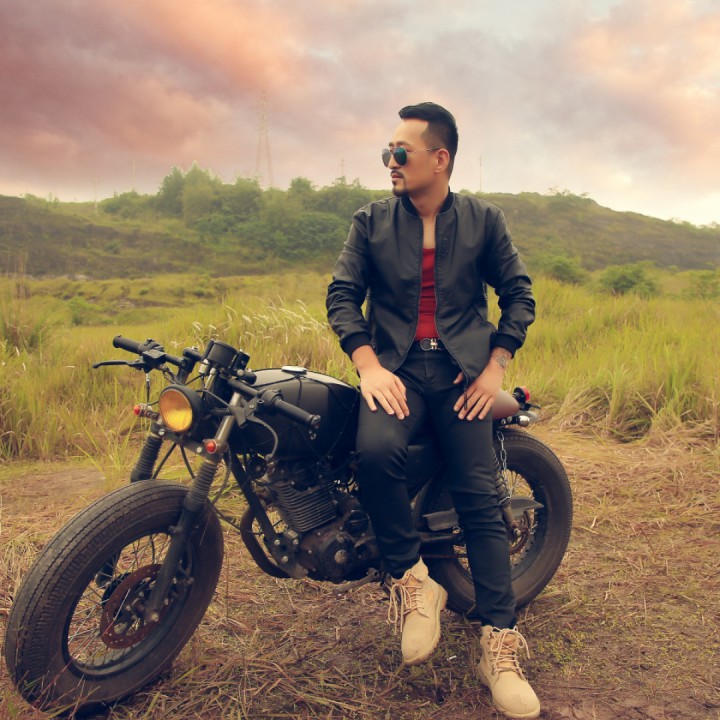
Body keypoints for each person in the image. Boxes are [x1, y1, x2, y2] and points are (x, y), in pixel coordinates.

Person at [326, 102, 539, 719]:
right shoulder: (370, 221)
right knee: (374, 453)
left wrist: (494, 367)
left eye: (401, 152)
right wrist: (368, 365)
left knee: (480, 494)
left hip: (461, 374)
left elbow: (518, 294)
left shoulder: (483, 220)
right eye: (386, 153)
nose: (390, 162)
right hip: (396, 369)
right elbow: (342, 295)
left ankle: (499, 645)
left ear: (439, 159)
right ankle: (414, 582)